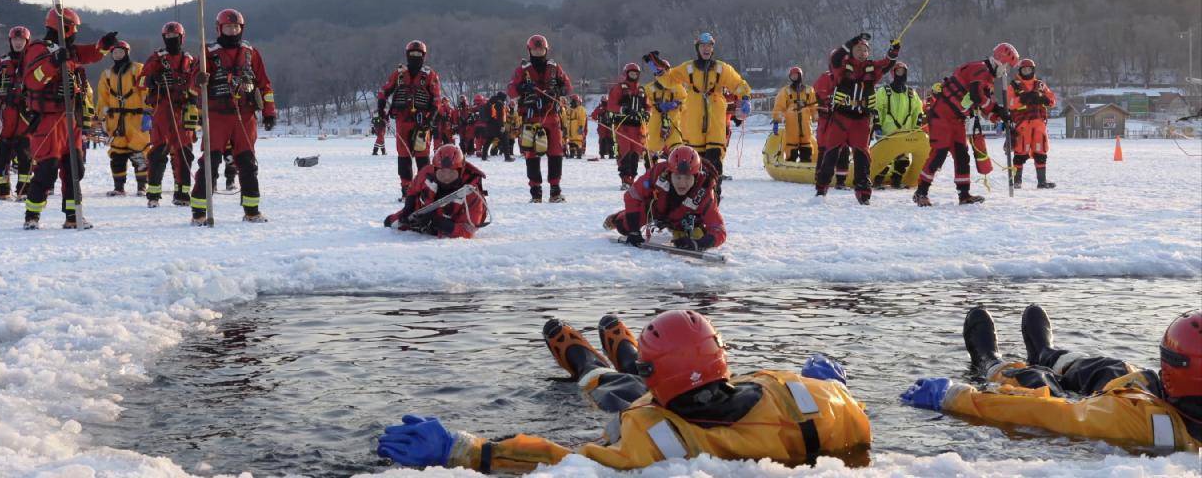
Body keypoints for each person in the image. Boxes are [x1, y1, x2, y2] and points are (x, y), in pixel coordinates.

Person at [378, 309, 871, 471]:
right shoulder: (808, 398)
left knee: (609, 387)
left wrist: (468, 449)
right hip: (744, 395)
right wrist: (827, 385)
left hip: (654, 402)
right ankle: (630, 354)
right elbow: (853, 419)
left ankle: (593, 361)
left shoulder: (648, 439)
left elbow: (561, 463)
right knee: (636, 379)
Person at [901, 306, 1201, 452]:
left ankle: (991, 363)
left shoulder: (1128, 419)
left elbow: (1041, 412)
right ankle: (1047, 354)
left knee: (1040, 385)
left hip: (1129, 411)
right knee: (1114, 369)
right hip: (1165, 402)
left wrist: (954, 396)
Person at [20, 8, 118, 229]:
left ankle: (73, 215)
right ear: (63, 28)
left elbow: (90, 53)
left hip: (70, 118)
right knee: (47, 169)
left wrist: (104, 44)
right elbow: (33, 80)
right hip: (48, 120)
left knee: (75, 168)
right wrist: (53, 62)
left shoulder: (69, 50)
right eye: (73, 30)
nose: (74, 34)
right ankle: (32, 216)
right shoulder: (38, 49)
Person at [189, 8, 276, 224]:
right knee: (210, 162)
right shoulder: (208, 52)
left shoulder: (251, 52)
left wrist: (269, 111)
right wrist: (199, 80)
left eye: (236, 26)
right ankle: (199, 212)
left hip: (245, 116)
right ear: (220, 28)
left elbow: (264, 84)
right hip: (217, 115)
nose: (232, 30)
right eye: (228, 27)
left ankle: (252, 210)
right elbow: (192, 85)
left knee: (247, 162)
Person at [913, 43, 1018, 207]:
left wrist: (1001, 116)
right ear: (1000, 62)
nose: (1005, 72)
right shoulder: (979, 69)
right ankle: (921, 192)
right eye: (1006, 67)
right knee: (938, 154)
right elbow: (977, 96)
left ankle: (964, 195)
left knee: (962, 156)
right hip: (942, 115)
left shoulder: (988, 80)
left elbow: (984, 106)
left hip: (957, 120)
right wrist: (996, 108)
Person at [659, 33, 751, 202]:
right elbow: (670, 78)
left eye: (709, 46)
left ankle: (714, 194)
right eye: (703, 46)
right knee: (694, 159)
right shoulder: (689, 68)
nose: (706, 49)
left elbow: (738, 83)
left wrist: (745, 98)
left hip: (715, 114)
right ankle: (690, 195)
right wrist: (659, 71)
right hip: (693, 116)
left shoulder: (721, 68)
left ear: (712, 48)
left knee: (714, 158)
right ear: (698, 48)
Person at [815, 34, 900, 204]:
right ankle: (821, 190)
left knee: (862, 157)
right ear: (852, 51)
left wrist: (893, 51)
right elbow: (836, 56)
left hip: (861, 119)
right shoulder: (842, 65)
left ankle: (863, 194)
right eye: (858, 49)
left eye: (865, 50)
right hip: (841, 117)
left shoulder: (872, 68)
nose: (862, 52)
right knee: (831, 154)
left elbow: (887, 64)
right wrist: (852, 41)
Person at [603, 145, 725, 250]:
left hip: (686, 220)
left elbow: (718, 229)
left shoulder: (704, 191)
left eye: (688, 178)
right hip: (655, 210)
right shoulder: (657, 174)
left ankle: (683, 232)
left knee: (697, 236)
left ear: (696, 176)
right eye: (678, 177)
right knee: (625, 226)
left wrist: (699, 244)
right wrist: (634, 231)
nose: (682, 183)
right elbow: (632, 196)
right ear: (670, 173)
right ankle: (617, 217)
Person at [507, 34, 574, 202]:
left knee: (556, 153)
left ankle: (555, 191)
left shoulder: (554, 67)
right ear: (530, 50)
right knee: (531, 154)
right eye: (535, 50)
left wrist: (558, 90)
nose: (538, 52)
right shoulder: (522, 70)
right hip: (531, 118)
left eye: (541, 49)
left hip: (552, 116)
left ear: (546, 50)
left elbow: (568, 86)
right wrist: (523, 88)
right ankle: (535, 192)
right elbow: (511, 89)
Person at [138, 22, 198, 208]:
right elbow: (140, 81)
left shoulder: (190, 60)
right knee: (158, 151)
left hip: (183, 108)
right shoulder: (157, 58)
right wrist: (154, 79)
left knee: (184, 152)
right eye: (169, 38)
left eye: (175, 38)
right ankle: (154, 193)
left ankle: (182, 193)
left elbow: (197, 83)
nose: (172, 41)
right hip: (163, 107)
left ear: (182, 38)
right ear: (164, 39)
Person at [377, 40, 442, 199]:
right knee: (404, 156)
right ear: (407, 55)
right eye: (412, 54)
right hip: (402, 121)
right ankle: (406, 189)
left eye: (418, 54)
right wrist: (381, 111)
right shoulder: (398, 74)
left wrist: (430, 119)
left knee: (422, 156)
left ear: (423, 56)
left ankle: (424, 188)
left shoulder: (430, 75)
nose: (415, 57)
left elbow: (436, 100)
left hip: (422, 122)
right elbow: (384, 92)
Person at [384, 143, 488, 238]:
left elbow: (468, 231)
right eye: (441, 173)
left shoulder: (473, 194)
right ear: (435, 170)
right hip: (421, 215)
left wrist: (438, 223)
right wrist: (408, 207)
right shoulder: (427, 172)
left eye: (451, 173)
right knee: (389, 222)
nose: (446, 178)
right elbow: (413, 189)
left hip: (449, 224)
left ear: (461, 171)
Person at [96, 41, 150, 197]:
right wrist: (103, 116)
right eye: (114, 53)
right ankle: (119, 187)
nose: (117, 55)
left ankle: (142, 186)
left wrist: (148, 111)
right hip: (116, 120)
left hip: (136, 118)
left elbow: (145, 90)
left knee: (139, 153)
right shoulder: (107, 74)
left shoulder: (137, 69)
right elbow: (103, 97)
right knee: (117, 154)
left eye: (120, 52)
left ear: (126, 53)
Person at [0, 26, 33, 200]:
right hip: (4, 117)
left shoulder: (32, 62)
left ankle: (24, 191)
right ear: (10, 41)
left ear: (26, 42)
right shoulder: (1, 62)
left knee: (25, 157)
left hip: (24, 116)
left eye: (21, 40)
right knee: (0, 158)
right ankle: (2, 191)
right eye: (15, 40)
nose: (18, 43)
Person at [870, 62, 923, 189]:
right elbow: (877, 108)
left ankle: (896, 180)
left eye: (903, 72)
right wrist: (877, 126)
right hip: (888, 133)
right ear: (893, 73)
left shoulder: (911, 94)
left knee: (903, 160)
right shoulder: (884, 92)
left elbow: (918, 111)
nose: (901, 74)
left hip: (905, 133)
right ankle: (877, 180)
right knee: (885, 158)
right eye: (898, 71)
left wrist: (917, 128)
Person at [1007, 59, 1057, 189]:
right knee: (1020, 152)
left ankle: (1042, 181)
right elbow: (1010, 104)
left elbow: (1052, 100)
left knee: (1041, 152)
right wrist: (1023, 98)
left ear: (1033, 70)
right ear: (1020, 71)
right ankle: (1017, 181)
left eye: (1029, 69)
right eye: (1024, 70)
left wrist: (1043, 98)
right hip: (1022, 124)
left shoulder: (1040, 85)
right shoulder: (1014, 86)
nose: (1027, 72)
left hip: (1039, 124)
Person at [607, 63, 649, 188]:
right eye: (631, 73)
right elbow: (611, 105)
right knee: (625, 151)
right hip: (622, 126)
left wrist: (647, 113)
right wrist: (623, 109)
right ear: (626, 74)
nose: (633, 75)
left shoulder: (641, 90)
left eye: (636, 73)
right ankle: (625, 178)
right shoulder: (619, 88)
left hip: (637, 128)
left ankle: (632, 177)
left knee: (636, 153)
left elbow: (648, 106)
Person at [642, 52, 685, 165]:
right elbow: (645, 104)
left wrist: (676, 104)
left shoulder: (677, 87)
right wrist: (657, 106)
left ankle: (676, 172)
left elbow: (685, 100)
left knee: (678, 148)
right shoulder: (648, 89)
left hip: (673, 123)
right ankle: (650, 172)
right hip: (655, 123)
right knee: (652, 149)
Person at [771, 67, 816, 163]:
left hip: (806, 125)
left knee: (807, 145)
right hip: (791, 125)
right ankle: (790, 162)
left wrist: (819, 118)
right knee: (791, 145)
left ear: (800, 76)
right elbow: (779, 106)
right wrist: (777, 119)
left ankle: (806, 163)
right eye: (792, 75)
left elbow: (814, 106)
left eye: (796, 75)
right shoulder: (785, 91)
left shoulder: (809, 90)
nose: (794, 77)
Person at [812, 69, 848, 188]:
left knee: (843, 150)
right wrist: (827, 103)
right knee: (824, 149)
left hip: (842, 120)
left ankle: (841, 181)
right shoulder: (826, 77)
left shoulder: (849, 77)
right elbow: (818, 95)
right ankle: (820, 180)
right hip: (827, 121)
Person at [565, 94, 588, 159]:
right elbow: (566, 117)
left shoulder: (581, 109)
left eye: (573, 101)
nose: (571, 102)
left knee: (578, 142)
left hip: (576, 127)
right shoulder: (569, 109)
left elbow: (582, 119)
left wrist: (581, 127)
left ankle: (579, 154)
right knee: (571, 142)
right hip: (570, 128)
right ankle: (572, 154)